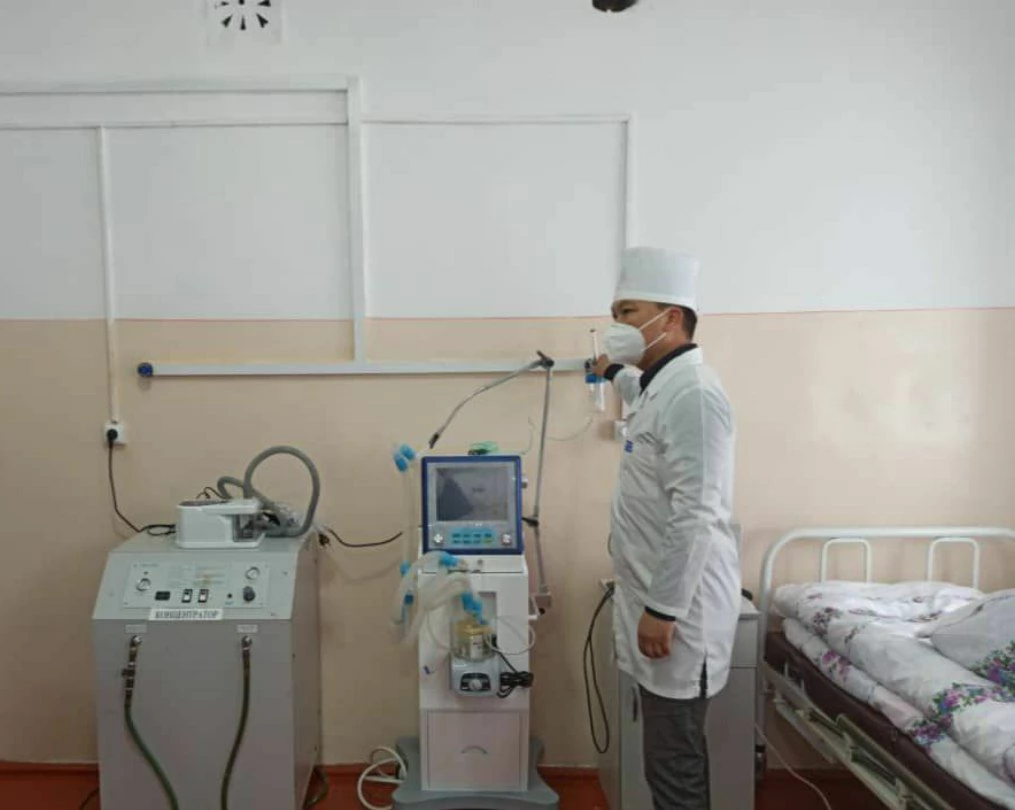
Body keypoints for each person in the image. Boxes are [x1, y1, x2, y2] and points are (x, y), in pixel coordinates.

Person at [592, 246, 740, 810]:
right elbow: (639, 392)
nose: (617, 325)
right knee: (665, 759)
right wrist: (610, 372)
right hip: (654, 601)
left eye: (628, 312)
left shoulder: (695, 396)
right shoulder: (661, 386)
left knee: (673, 765)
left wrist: (664, 609)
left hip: (680, 614)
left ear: (670, 317)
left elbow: (695, 511)